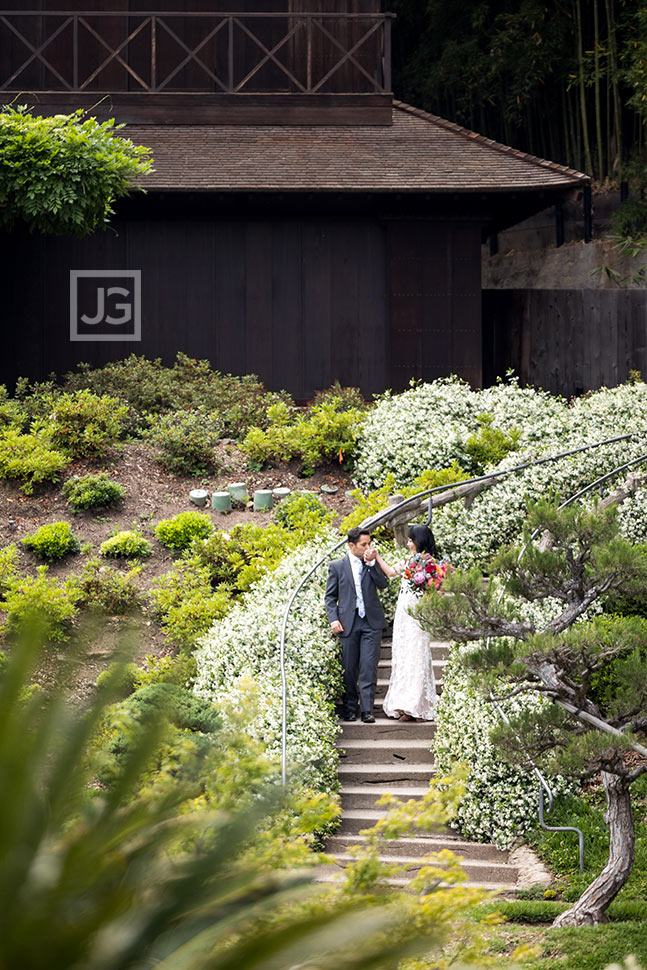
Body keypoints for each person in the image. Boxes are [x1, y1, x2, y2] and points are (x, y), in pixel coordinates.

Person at [372, 525, 438, 722]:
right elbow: (392, 572)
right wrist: (377, 557)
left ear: (420, 541)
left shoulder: (430, 563)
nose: (408, 543)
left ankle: (418, 705)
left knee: (418, 657)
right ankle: (405, 706)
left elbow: (437, 589)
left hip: (419, 614)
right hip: (404, 614)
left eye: (411, 540)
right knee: (404, 656)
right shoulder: (410, 560)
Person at [325, 527, 389, 723]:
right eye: (364, 544)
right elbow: (330, 597)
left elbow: (383, 584)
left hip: (371, 622)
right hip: (348, 623)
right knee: (349, 667)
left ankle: (367, 710)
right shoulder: (337, 566)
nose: (367, 547)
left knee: (369, 667)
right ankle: (350, 708)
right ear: (352, 545)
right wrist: (333, 619)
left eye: (369, 543)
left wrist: (371, 565)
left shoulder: (370, 563)